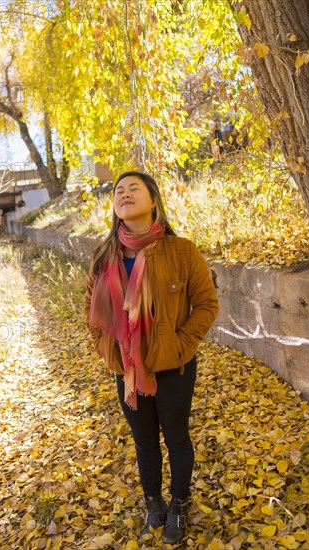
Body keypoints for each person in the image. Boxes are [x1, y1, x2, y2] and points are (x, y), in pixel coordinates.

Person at [84, 171, 219, 544]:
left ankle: (179, 504)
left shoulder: (182, 251)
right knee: (144, 442)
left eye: (133, 189)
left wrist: (181, 345)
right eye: (118, 191)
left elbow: (206, 304)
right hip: (127, 370)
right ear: (114, 206)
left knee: (176, 438)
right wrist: (109, 351)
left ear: (153, 201)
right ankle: (154, 504)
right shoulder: (104, 255)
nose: (124, 195)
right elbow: (91, 313)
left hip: (174, 367)